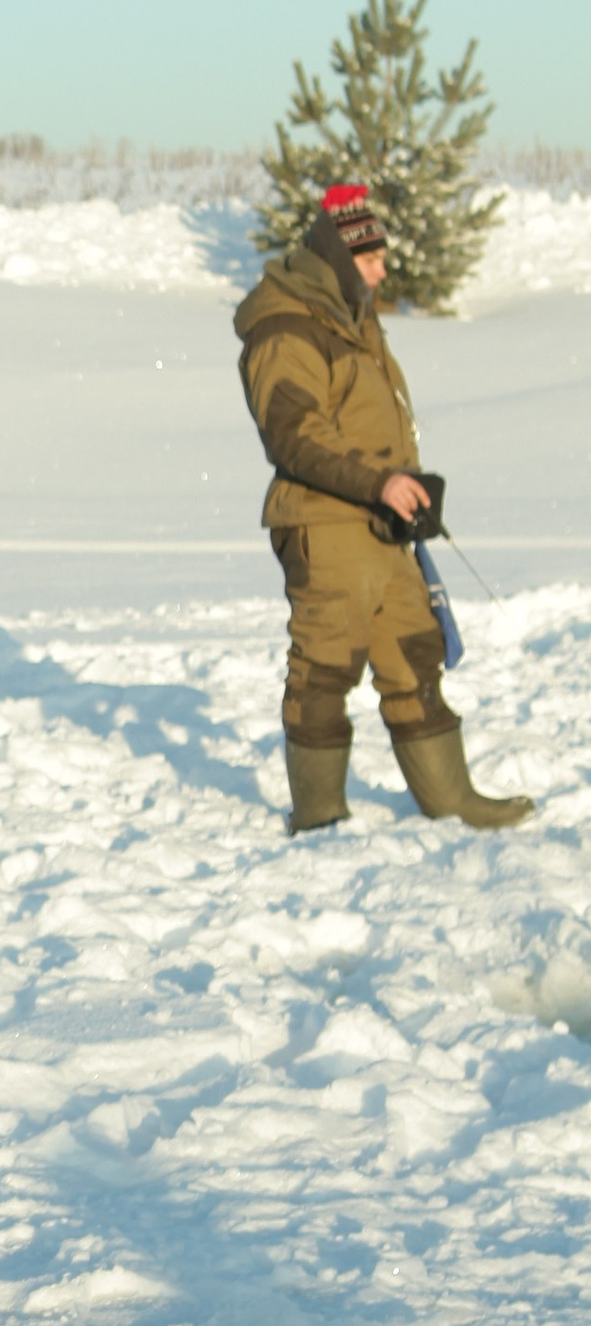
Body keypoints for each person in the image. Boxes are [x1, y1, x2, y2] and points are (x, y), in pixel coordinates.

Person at [235, 179, 531, 835]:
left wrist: (401, 485)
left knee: (414, 650)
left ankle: (452, 801)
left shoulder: (354, 317)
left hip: (379, 520)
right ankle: (320, 816)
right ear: (340, 259)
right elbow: (294, 435)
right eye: (371, 259)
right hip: (323, 519)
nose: (383, 268)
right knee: (325, 665)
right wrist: (379, 481)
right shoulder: (286, 326)